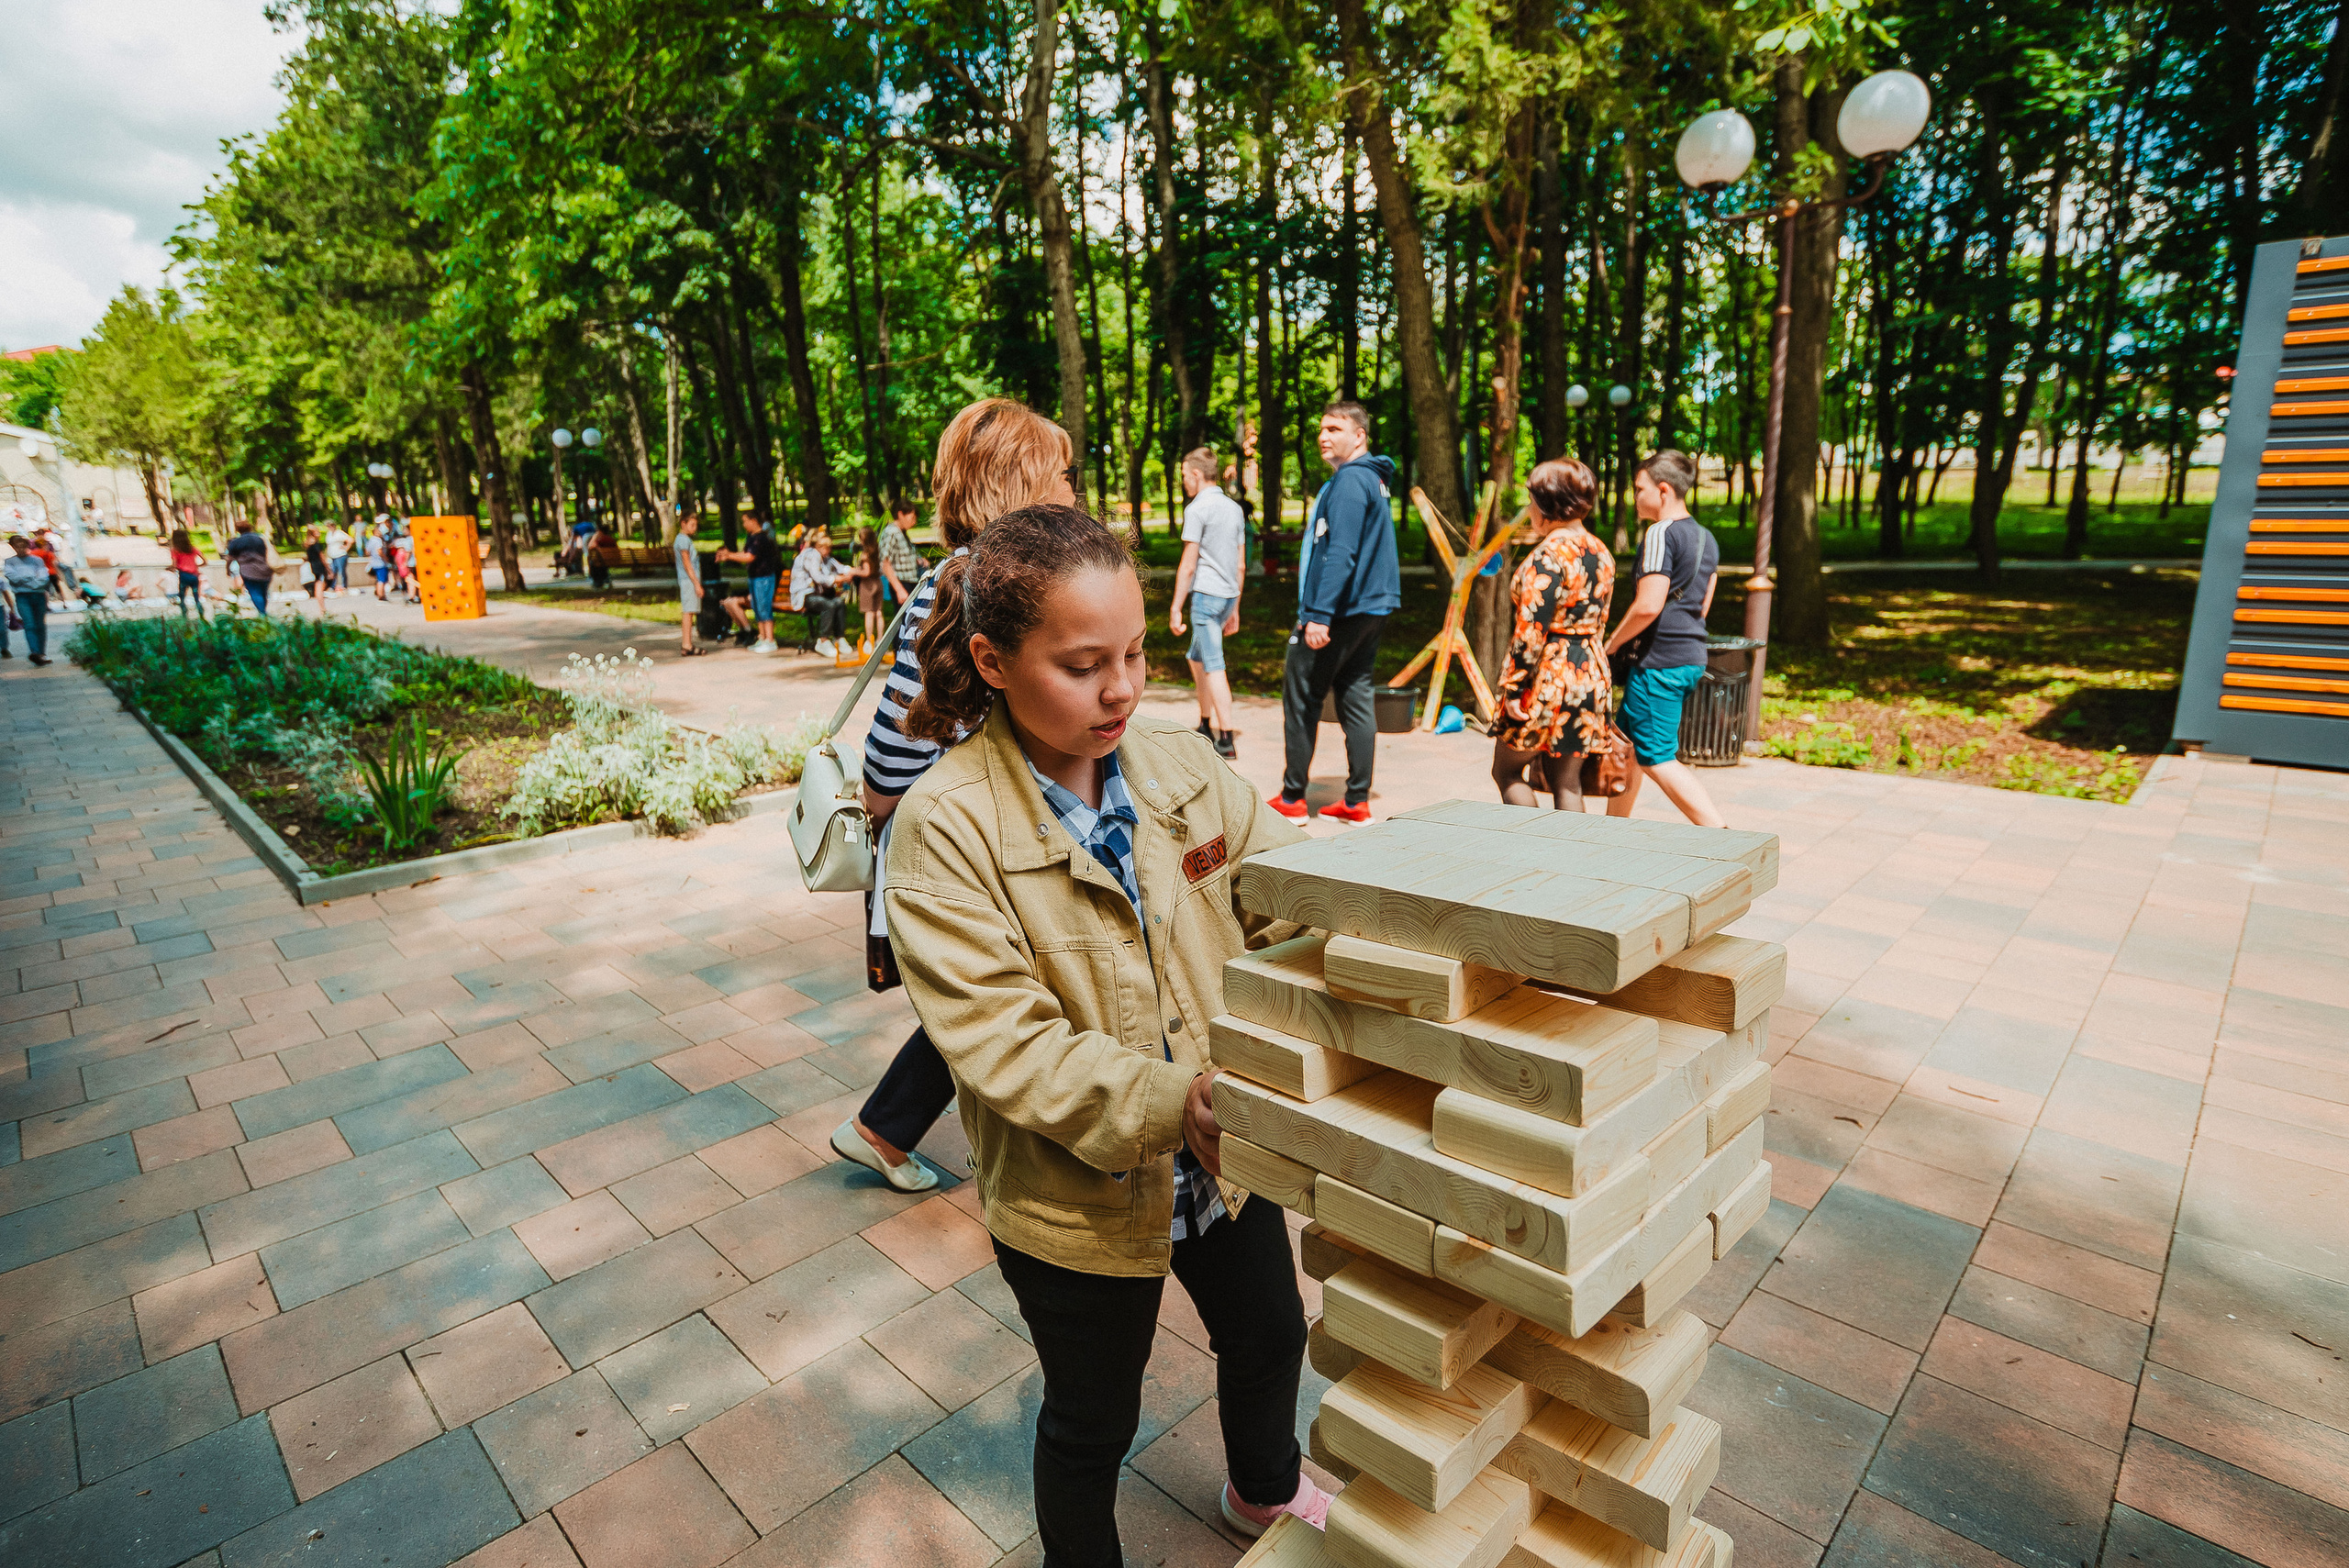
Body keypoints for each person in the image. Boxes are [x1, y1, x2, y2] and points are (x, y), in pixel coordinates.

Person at [885, 501, 1327, 1562]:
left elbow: (1292, 894)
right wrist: (1179, 1102)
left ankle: (1263, 1488)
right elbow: (1005, 1044)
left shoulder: (1181, 767)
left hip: (1226, 1161)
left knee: (1269, 1335)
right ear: (991, 660)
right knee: (1092, 1418)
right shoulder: (945, 829)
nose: (1122, 686)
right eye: (1083, 663)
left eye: (1134, 651)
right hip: (1072, 1197)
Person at [836, 396, 1077, 1194]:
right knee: (1006, 989)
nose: (1074, 489)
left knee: (998, 989)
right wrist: (878, 806)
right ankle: (901, 1130)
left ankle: (886, 1127)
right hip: (976, 836)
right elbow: (904, 726)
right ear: (1021, 483)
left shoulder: (992, 577)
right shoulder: (969, 583)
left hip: (1006, 825)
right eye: (1061, 474)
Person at [1272, 400, 1400, 823]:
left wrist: (1319, 615)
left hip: (1342, 610)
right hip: (1372, 608)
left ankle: (1292, 800)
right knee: (1357, 696)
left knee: (1302, 697)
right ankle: (1357, 801)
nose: (1324, 436)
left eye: (1335, 429)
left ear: (1359, 435)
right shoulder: (1374, 480)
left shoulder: (1349, 482)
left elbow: (1340, 552)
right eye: (1321, 429)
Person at [1605, 450, 1726, 828]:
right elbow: (1703, 605)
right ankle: (1612, 833)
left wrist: (1610, 644)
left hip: (1660, 662)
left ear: (1662, 490)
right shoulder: (1706, 538)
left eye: (1639, 488)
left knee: (1656, 755)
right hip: (1691, 656)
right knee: (1627, 745)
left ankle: (1722, 835)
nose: (1635, 496)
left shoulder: (1660, 533)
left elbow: (1648, 605)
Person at [1491, 460, 1612, 808]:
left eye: (1531, 500)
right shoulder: (1600, 551)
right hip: (1590, 671)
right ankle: (1572, 859)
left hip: (1549, 675)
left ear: (1547, 504)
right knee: (1568, 781)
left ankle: (1532, 848)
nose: (1529, 509)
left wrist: (1514, 688)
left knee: (1507, 772)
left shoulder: (1546, 557)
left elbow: (1531, 631)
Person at [1169, 446, 1245, 761]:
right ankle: (1204, 722)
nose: (1184, 481)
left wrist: (1175, 606)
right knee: (1196, 658)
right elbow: (1240, 564)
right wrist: (1236, 608)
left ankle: (1225, 738)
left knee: (1214, 665)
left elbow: (1188, 564)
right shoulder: (1234, 509)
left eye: (1185, 475)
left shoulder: (1197, 509)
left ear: (1197, 475)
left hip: (1205, 596)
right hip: (1227, 595)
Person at [717, 514, 784, 653]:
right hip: (754, 577)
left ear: (754, 521)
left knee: (764, 607)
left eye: (745, 521)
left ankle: (770, 640)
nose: (743, 524)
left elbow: (749, 557)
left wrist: (729, 555)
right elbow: (744, 554)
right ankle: (762, 638)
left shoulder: (761, 539)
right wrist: (729, 555)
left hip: (764, 578)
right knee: (757, 607)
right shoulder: (751, 538)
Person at [789, 526, 847, 656]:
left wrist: (845, 575)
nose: (828, 549)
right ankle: (823, 641)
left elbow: (835, 569)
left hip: (816, 594)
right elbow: (818, 577)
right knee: (829, 605)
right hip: (804, 595)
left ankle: (839, 638)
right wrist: (835, 579)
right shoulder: (811, 556)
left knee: (839, 602)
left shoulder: (822, 557)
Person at [7, 538, 55, 663]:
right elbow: (13, 578)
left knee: (40, 625)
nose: (21, 548)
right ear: (13, 547)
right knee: (29, 624)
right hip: (22, 597)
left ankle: (42, 653)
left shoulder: (37, 561)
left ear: (27, 546)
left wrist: (25, 581)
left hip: (38, 595)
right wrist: (32, 578)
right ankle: (34, 652)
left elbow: (44, 579)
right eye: (17, 546)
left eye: (23, 545)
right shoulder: (10, 562)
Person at [673, 512, 707, 656]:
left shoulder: (682, 539)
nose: (694, 528)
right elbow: (687, 564)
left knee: (689, 611)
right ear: (683, 524)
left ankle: (688, 643)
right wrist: (697, 584)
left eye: (696, 525)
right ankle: (686, 644)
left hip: (687, 580)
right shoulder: (683, 541)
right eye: (692, 525)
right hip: (688, 581)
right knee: (688, 612)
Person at [880, 498, 922, 608]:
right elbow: (885, 562)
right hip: (902, 584)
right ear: (900, 514)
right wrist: (899, 589)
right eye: (912, 518)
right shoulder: (891, 532)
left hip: (912, 582)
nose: (914, 522)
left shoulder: (902, 533)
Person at [225, 525, 274, 616]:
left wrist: (228, 570)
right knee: (263, 592)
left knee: (255, 592)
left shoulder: (236, 542)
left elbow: (230, 558)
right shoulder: (260, 539)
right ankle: (263, 611)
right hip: (265, 569)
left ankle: (262, 613)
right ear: (250, 528)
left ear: (238, 530)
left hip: (248, 571)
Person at [850, 527, 885, 651]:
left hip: (868, 585)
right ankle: (880, 639)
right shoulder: (877, 551)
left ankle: (870, 641)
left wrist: (853, 571)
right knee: (879, 612)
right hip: (878, 582)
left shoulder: (866, 554)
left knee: (869, 613)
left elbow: (866, 572)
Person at [170, 528, 206, 618]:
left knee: (182, 596)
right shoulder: (192, 549)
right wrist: (197, 566)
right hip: (194, 575)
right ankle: (201, 615)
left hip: (184, 575)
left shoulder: (175, 550)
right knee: (196, 596)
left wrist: (170, 569)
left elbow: (174, 565)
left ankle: (184, 616)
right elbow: (205, 560)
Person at [303, 529, 330, 606]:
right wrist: (328, 569)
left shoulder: (308, 545)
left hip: (313, 567)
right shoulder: (317, 545)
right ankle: (322, 608)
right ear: (313, 534)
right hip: (320, 567)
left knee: (319, 584)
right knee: (320, 586)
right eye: (317, 532)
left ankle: (322, 607)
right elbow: (322, 557)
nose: (319, 533)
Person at [327, 520, 352, 595]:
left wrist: (346, 547)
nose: (329, 528)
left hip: (340, 555)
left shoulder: (339, 533)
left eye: (330, 526)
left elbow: (350, 540)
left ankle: (344, 586)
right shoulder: (329, 534)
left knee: (342, 571)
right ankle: (332, 586)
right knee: (333, 571)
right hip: (333, 556)